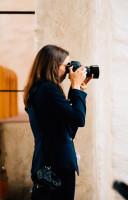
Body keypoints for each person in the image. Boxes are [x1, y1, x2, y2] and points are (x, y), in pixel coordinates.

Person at [23, 44, 92, 199]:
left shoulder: (38, 89)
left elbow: (70, 127)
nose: (70, 70)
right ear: (53, 65)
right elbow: (79, 119)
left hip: (50, 163)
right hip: (55, 166)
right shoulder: (47, 89)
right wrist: (74, 87)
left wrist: (78, 89)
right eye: (67, 66)